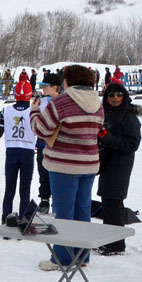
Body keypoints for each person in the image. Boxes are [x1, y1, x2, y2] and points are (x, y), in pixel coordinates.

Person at [30, 65, 104, 270]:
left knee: (63, 213)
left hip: (64, 164)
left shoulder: (62, 101)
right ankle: (81, 257)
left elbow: (41, 129)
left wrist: (34, 110)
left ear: (68, 81)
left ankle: (61, 259)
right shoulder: (97, 102)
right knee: (82, 211)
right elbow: (98, 127)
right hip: (89, 164)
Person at [95, 82, 142, 255]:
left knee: (113, 202)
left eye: (118, 95)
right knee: (108, 201)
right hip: (106, 163)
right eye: (111, 95)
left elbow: (132, 144)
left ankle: (115, 244)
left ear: (124, 96)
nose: (115, 98)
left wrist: (107, 138)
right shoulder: (104, 113)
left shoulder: (129, 117)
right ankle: (109, 241)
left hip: (120, 165)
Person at [0, 79, 36, 225]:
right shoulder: (34, 111)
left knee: (9, 188)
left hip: (12, 152)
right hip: (28, 152)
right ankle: (24, 219)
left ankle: (6, 217)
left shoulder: (6, 111)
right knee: (25, 190)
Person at [34, 73, 61, 213]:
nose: (43, 89)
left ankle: (58, 201)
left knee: (56, 174)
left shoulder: (62, 102)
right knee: (43, 172)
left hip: (58, 145)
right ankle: (44, 199)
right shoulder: (42, 101)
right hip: (42, 143)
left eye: (45, 86)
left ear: (55, 87)